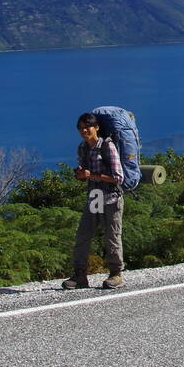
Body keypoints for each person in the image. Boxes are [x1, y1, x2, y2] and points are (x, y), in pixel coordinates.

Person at [63, 112, 125, 290]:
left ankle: (116, 274)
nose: (84, 130)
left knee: (111, 236)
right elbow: (86, 176)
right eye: (81, 128)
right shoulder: (83, 148)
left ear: (96, 127)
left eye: (87, 127)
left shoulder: (107, 146)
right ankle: (80, 275)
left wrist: (92, 175)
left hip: (112, 197)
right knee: (83, 235)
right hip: (95, 195)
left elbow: (118, 177)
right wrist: (82, 176)